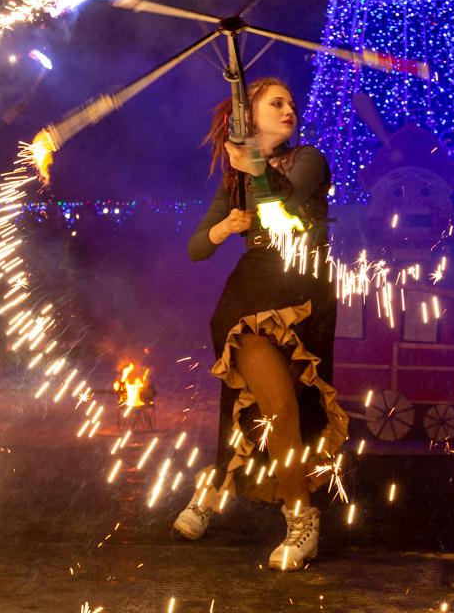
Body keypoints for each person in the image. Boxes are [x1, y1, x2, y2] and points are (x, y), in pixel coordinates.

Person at [174, 77, 348, 570]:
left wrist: (253, 167)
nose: (290, 108)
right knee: (271, 404)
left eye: (292, 103)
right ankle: (302, 522)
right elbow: (196, 249)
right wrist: (222, 226)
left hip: (304, 298)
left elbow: (287, 210)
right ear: (249, 117)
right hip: (249, 300)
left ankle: (212, 489)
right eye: (277, 103)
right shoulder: (233, 180)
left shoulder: (309, 159)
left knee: (276, 409)